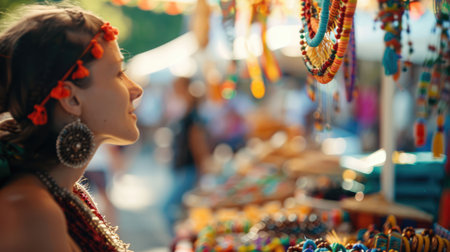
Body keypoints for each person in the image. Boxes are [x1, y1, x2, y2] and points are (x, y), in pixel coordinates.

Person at [0, 3, 143, 251]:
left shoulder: (64, 191)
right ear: (71, 99)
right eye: (119, 73)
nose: (135, 89)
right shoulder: (29, 212)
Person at [163, 77, 210, 235]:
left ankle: (179, 237)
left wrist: (202, 171)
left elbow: (198, 145)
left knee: (167, 208)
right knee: (181, 208)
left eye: (177, 87)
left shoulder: (192, 114)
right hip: (182, 167)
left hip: (188, 169)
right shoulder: (186, 110)